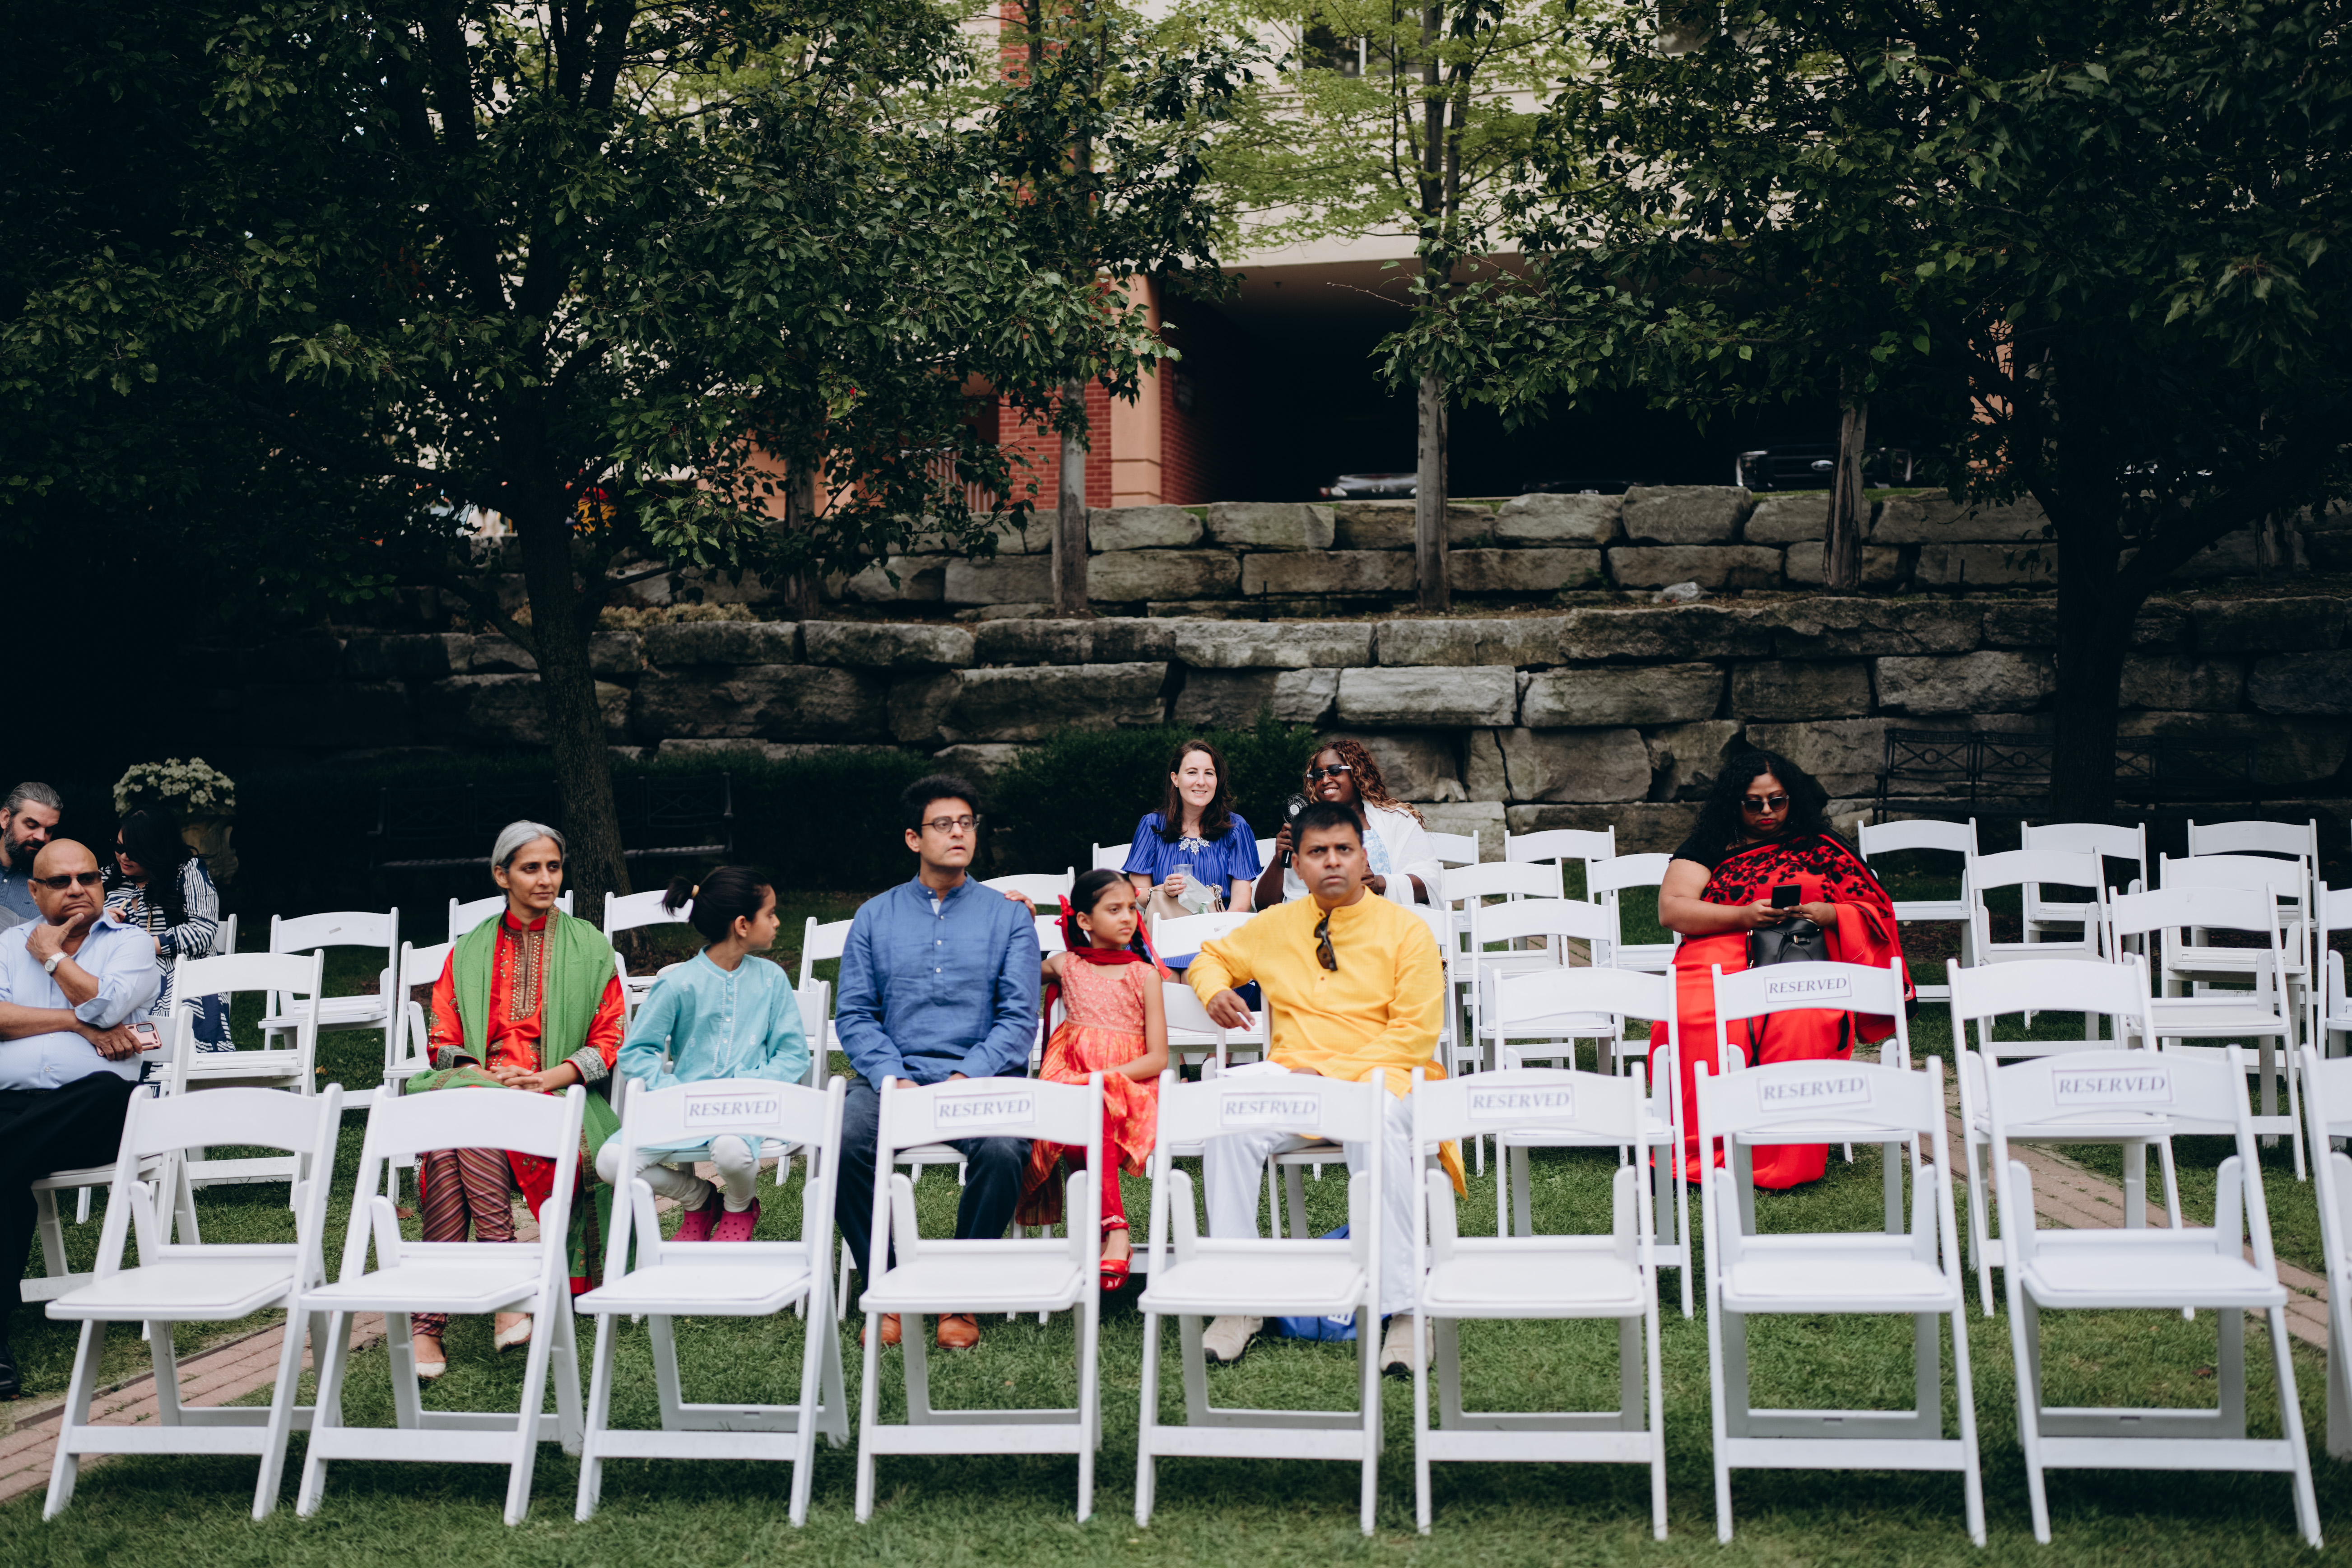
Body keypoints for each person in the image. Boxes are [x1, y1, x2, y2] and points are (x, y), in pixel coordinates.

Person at [1192, 801, 1459, 1377]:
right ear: (1298, 863)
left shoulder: (1407, 931)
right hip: (1296, 1081)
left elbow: (1414, 1035)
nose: (1332, 861)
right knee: (1227, 1125)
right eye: (1317, 851)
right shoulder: (1275, 924)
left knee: (1375, 1122)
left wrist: (1333, 1075)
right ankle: (1238, 1301)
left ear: (1364, 858)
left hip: (1384, 1080)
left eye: (1343, 849)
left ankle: (1405, 1308)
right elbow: (1211, 956)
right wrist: (1214, 989)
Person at [404, 822, 627, 1379]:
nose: (546, 879)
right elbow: (443, 1040)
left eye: (554, 866)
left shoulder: (590, 946)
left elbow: (610, 1039)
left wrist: (545, 1078)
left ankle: (427, 1325)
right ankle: (506, 1293)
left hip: (558, 1097)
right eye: (531, 868)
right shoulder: (469, 949)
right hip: (481, 1088)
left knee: (452, 1138)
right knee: (472, 1119)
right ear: (501, 875)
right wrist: (485, 1078)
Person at [834, 774, 1040, 1353]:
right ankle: (888, 1287)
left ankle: (959, 1293)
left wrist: (965, 1076)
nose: (958, 833)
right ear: (913, 838)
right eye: (943, 824)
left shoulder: (1007, 917)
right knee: (844, 1138)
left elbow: (1018, 1018)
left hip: (979, 1077)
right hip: (894, 1076)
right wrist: (891, 1075)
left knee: (1004, 1149)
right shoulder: (874, 915)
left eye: (966, 823)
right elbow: (855, 1012)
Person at [1653, 750, 1909, 1189]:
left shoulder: (1821, 845)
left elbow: (1876, 909)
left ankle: (1782, 1154)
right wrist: (1743, 916)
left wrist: (1830, 913)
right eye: (1753, 803)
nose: (1767, 811)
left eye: (1778, 800)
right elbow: (1671, 909)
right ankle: (1699, 1148)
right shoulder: (1711, 843)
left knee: (1801, 1020)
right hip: (1715, 954)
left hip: (1799, 955)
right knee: (1694, 1018)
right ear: (1734, 803)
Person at [0, 840, 161, 1397]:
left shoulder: (129, 943)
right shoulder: (6, 944)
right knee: (6, 1175)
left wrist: (52, 959)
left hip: (91, 1116)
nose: (76, 889)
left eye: (87, 878)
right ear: (34, 891)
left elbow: (108, 1005)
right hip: (13, 1106)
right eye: (60, 881)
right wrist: (74, 1023)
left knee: (105, 1089)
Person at [602, 866, 811, 1244]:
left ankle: (739, 1205)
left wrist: (750, 1085)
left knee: (731, 1150)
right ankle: (698, 1197)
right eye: (771, 913)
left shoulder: (772, 979)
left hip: (745, 1108)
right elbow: (636, 1052)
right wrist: (671, 1091)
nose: (778, 922)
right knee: (611, 1161)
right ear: (743, 925)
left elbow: (793, 1055)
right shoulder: (677, 982)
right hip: (684, 1106)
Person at [1015, 870, 1170, 1291]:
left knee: (1093, 1101)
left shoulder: (1144, 975)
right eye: (1114, 909)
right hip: (1071, 1073)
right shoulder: (1067, 965)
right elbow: (1014, 972)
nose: (1128, 918)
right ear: (1084, 920)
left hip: (1129, 1081)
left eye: (1132, 908)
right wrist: (1021, 922)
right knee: (1079, 1109)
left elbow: (1158, 1057)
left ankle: (1112, 1230)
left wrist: (1102, 1077)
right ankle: (1111, 1231)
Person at [1255, 739, 1443, 911]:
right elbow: (1264, 906)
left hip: (1384, 922)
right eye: (1318, 775)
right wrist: (1278, 861)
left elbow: (1429, 883)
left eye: (1335, 770)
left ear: (1357, 772)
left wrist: (1378, 883)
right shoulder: (1304, 830)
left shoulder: (1396, 820)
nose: (1325, 780)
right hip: (1311, 925)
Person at [104, 807, 225, 1047]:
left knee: (177, 1016)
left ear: (157, 850)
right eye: (119, 847)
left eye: (134, 851)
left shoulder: (187, 872)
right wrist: (99, 921)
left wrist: (141, 946)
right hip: (119, 977)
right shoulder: (105, 878)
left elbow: (203, 931)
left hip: (181, 976)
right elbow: (76, 929)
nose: (124, 857)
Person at [1122, 739, 1261, 940]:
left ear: (1217, 780)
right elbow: (1136, 895)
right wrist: (1163, 890)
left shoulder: (1236, 828)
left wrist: (1218, 940)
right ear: (1175, 779)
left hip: (1218, 935)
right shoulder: (1152, 826)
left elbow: (1241, 903)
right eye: (1192, 772)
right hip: (1163, 937)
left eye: (1209, 773)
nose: (1201, 781)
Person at [0, 783, 63, 930]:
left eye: (49, 830)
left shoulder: (53, 887)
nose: (41, 837)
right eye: (31, 825)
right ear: (5, 819)